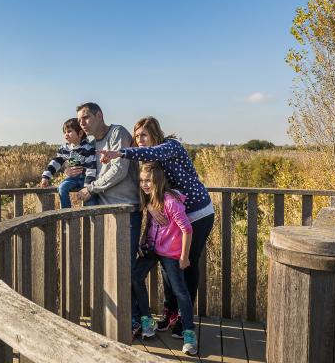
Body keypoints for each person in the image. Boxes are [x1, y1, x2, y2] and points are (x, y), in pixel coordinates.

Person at [100, 116, 215, 338]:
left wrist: (121, 152)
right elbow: (153, 190)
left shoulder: (170, 147)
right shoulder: (149, 163)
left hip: (198, 214)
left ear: (155, 134)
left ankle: (184, 317)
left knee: (187, 265)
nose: (139, 139)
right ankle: (170, 312)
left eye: (143, 134)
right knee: (167, 264)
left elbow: (152, 153)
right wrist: (152, 208)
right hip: (174, 218)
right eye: (136, 135)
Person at [64, 102, 142, 334]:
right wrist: (68, 172)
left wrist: (92, 188)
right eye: (80, 120)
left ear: (100, 115)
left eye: (86, 117)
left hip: (126, 210)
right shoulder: (88, 143)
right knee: (109, 267)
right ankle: (117, 319)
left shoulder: (117, 133)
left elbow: (119, 169)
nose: (82, 123)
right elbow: (76, 163)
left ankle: (135, 319)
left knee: (126, 268)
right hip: (103, 213)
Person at [134, 162, 197, 355]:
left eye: (149, 181)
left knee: (180, 292)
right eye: (142, 181)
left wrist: (184, 257)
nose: (145, 184)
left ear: (158, 181)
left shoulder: (171, 202)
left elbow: (187, 229)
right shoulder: (150, 199)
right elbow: (152, 224)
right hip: (153, 249)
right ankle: (146, 320)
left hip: (171, 254)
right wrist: (143, 240)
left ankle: (189, 333)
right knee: (135, 276)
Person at [40, 118, 97, 208]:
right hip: (73, 178)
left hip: (86, 178)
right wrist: (46, 177)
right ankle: (66, 211)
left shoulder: (88, 148)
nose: (66, 135)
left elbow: (91, 168)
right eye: (64, 132)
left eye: (69, 131)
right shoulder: (64, 149)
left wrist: (87, 186)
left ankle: (93, 214)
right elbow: (55, 162)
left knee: (89, 198)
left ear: (80, 133)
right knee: (62, 188)